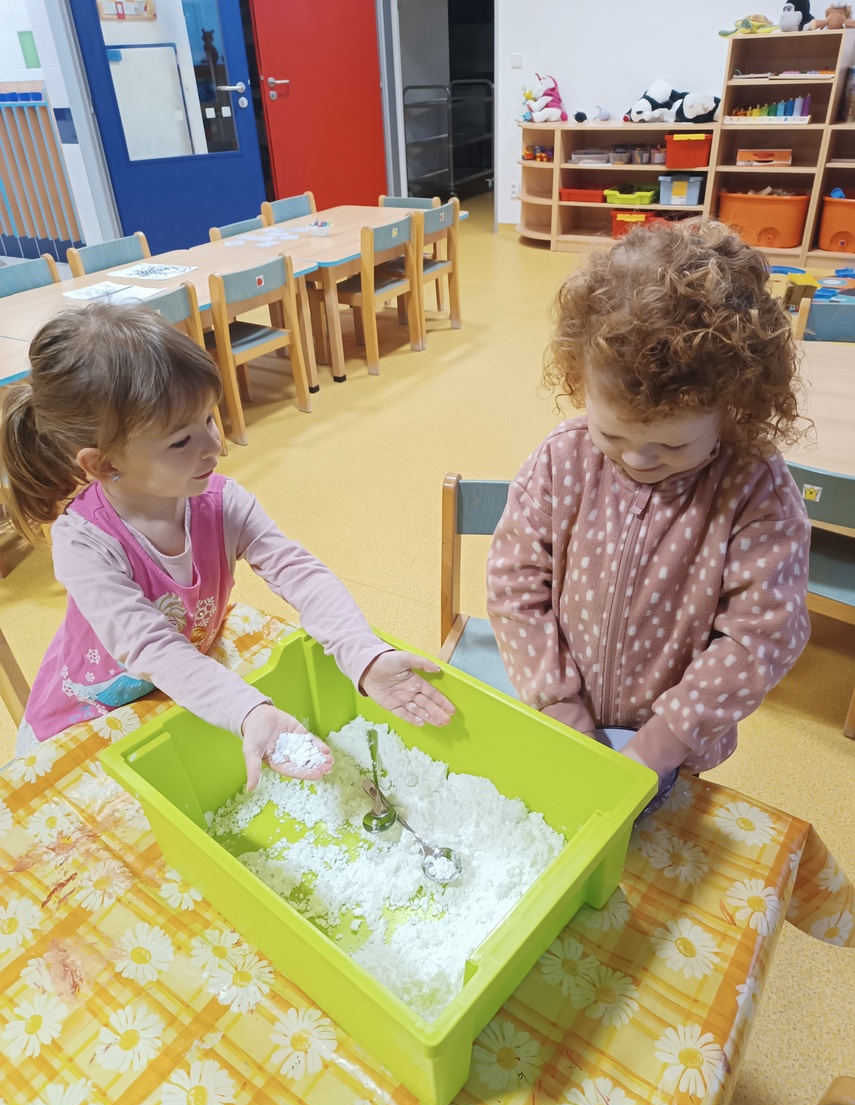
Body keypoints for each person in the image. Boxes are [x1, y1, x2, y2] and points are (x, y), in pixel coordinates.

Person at [0, 304, 453, 789]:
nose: (214, 446)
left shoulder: (220, 502)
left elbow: (298, 571)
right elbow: (151, 647)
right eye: (181, 441)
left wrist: (362, 653)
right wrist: (246, 709)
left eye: (209, 419)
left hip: (179, 689)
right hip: (91, 710)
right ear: (105, 464)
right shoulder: (84, 543)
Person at [487, 220, 811, 793]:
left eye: (673, 445)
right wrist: (557, 702)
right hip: (564, 716)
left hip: (676, 744)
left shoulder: (754, 489)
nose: (637, 458)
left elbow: (761, 636)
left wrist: (662, 744)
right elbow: (515, 584)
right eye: (612, 434)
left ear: (733, 408)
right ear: (579, 381)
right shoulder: (563, 458)